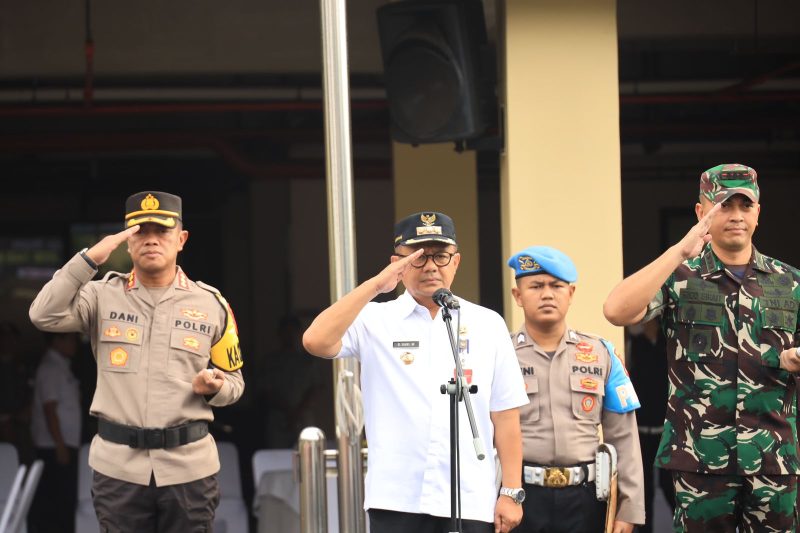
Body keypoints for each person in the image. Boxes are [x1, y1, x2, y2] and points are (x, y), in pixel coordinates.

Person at [29, 191, 245, 532]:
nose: (151, 240)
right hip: (119, 470)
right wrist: (89, 259)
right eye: (140, 231)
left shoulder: (212, 304)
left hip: (189, 470)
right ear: (128, 242)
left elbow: (235, 382)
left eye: (162, 231)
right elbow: (43, 314)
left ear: (181, 239)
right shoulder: (101, 296)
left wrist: (215, 388)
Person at [303, 211, 529, 533]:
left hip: (469, 496)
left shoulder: (487, 323)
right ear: (397, 263)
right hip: (397, 498)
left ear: (456, 262)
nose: (431, 266)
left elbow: (505, 414)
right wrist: (375, 286)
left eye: (440, 256)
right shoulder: (375, 319)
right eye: (418, 257)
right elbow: (315, 341)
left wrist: (511, 491)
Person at [603, 164, 800, 532]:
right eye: (724, 205)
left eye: (745, 205)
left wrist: (792, 358)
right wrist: (680, 250)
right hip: (700, 459)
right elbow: (616, 311)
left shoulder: (790, 282)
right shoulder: (679, 276)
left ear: (758, 212)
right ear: (701, 212)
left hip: (774, 458)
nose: (736, 215)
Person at [506, 246, 644, 533]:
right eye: (536, 286)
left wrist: (629, 507)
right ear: (517, 296)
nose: (547, 294)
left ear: (570, 294)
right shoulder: (500, 355)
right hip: (519, 497)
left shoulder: (601, 353)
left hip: (586, 499)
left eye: (556, 286)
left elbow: (624, 437)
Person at [29, 331, 82, 533]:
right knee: (57, 501)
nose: (74, 343)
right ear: (56, 340)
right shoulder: (50, 368)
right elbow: (49, 409)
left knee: (63, 499)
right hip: (54, 446)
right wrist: (60, 445)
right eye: (70, 339)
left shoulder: (61, 366)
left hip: (63, 444)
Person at [625, 319, 675, 533]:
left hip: (665, 429)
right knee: (644, 488)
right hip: (641, 428)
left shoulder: (668, 343)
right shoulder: (633, 343)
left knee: (668, 485)